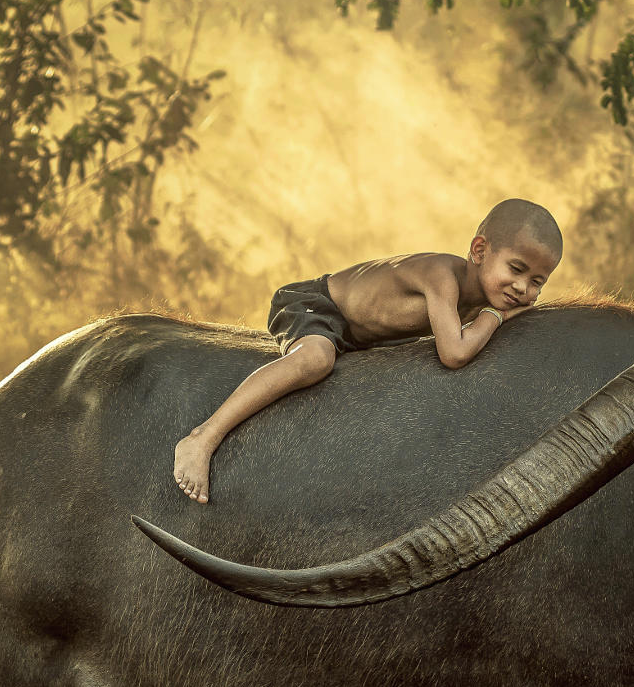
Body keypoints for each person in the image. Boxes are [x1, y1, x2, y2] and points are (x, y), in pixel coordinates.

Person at [171, 198, 564, 503]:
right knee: (315, 359)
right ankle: (204, 437)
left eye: (537, 281)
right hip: (320, 306)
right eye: (516, 269)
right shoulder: (442, 277)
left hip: (370, 339)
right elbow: (454, 354)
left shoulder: (484, 296)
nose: (523, 289)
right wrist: (494, 318)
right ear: (479, 250)